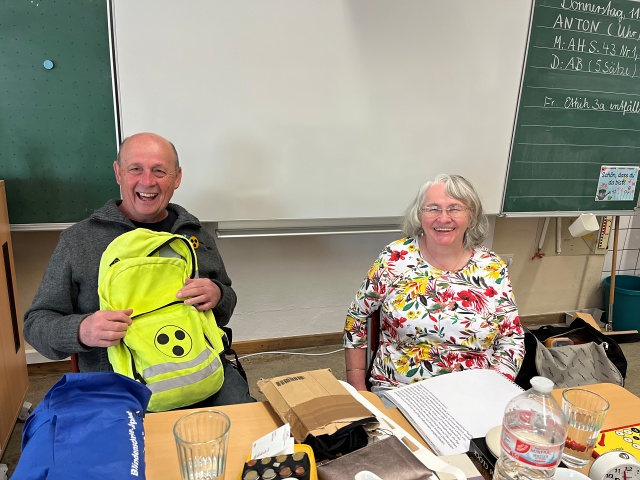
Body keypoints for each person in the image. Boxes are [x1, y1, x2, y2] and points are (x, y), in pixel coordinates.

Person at [24, 132, 254, 407]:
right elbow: (36, 323)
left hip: (204, 376)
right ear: (118, 173)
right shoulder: (79, 241)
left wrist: (218, 294)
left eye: (159, 171)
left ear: (177, 178)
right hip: (118, 389)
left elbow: (225, 306)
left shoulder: (195, 234)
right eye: (135, 169)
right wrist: (81, 330)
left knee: (250, 427)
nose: (147, 181)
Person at [343, 174, 524, 397]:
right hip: (401, 390)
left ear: (471, 216)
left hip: (473, 393)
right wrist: (357, 387)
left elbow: (511, 338)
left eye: (455, 209)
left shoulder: (492, 267)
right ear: (420, 215)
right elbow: (357, 316)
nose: (443, 218)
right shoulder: (395, 258)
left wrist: (492, 391)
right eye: (433, 208)